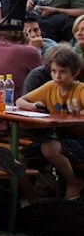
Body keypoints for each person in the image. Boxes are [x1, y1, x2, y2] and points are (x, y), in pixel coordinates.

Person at [14, 44, 84, 199]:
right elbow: (20, 101)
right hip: (57, 137)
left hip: (78, 140)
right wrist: (33, 106)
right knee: (16, 159)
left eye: (63, 72)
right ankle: (35, 203)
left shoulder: (80, 90)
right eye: (54, 71)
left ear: (75, 73)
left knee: (49, 148)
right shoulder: (50, 87)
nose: (57, 76)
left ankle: (73, 182)